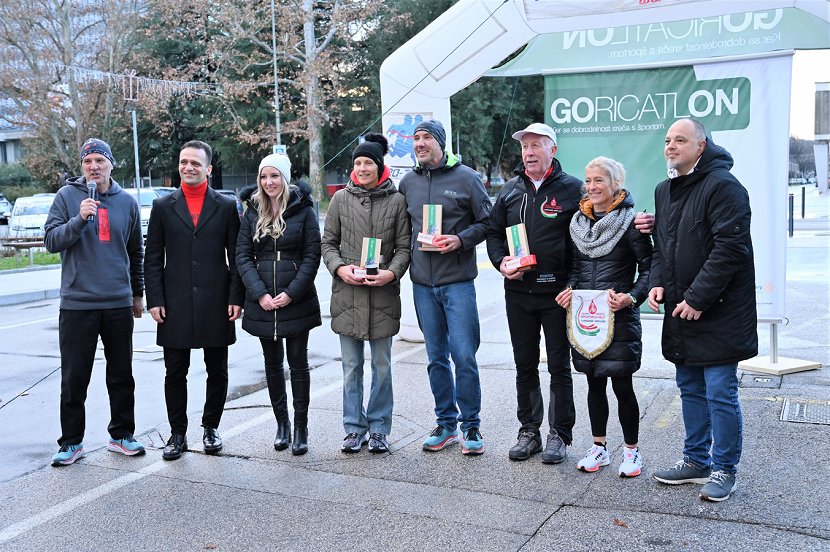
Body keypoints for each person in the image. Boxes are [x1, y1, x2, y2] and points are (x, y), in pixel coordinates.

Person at [486, 123, 653, 464]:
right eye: (525, 147)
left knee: (559, 367)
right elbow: (493, 233)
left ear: (553, 150)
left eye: (536, 145)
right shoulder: (509, 191)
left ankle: (559, 435)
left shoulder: (573, 189)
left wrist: (645, 221)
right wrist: (501, 261)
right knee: (524, 365)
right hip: (517, 292)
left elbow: (606, 217)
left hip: (558, 295)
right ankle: (529, 432)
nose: (529, 152)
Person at [648, 118, 757, 502]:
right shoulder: (664, 190)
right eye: (668, 140)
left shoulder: (724, 186)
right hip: (681, 310)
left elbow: (730, 250)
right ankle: (696, 461)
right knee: (690, 388)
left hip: (719, 312)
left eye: (680, 140)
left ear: (701, 146)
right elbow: (662, 246)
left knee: (720, 393)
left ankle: (725, 469)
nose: (671, 146)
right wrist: (657, 282)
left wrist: (697, 298)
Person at [44, 138, 146, 466]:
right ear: (82, 166)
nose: (94, 167)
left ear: (111, 164)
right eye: (88, 161)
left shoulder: (127, 202)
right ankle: (71, 442)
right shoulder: (67, 197)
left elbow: (135, 252)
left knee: (121, 375)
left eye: (100, 160)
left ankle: (122, 435)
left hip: (117, 302)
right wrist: (78, 219)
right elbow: (51, 241)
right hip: (78, 303)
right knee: (75, 377)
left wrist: (137, 293)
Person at [145, 140, 244, 461]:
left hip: (217, 301)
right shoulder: (162, 206)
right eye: (184, 162)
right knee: (175, 372)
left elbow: (237, 256)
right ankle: (177, 434)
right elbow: (152, 257)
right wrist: (154, 299)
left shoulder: (226, 206)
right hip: (174, 303)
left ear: (208, 169)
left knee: (218, 371)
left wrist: (236, 297)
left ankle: (211, 427)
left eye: (195, 163)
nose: (188, 167)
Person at [554, 157, 652, 477]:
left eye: (599, 180)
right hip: (586, 321)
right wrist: (569, 290)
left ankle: (632, 451)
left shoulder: (631, 224)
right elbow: (574, 270)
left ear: (615, 184)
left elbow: (648, 270)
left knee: (623, 387)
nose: (592, 187)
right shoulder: (577, 225)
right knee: (594, 385)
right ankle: (599, 448)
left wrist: (631, 298)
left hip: (619, 318)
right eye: (588, 180)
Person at [398, 119, 491, 456]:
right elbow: (400, 230)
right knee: (436, 357)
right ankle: (446, 424)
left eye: (426, 138)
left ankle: (471, 425)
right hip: (423, 285)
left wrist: (460, 240)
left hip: (458, 283)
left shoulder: (466, 178)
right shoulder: (407, 182)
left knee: (463, 355)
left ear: (440, 142)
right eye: (416, 138)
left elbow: (488, 222)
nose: (420, 143)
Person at [321, 133, 410, 454]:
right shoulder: (340, 200)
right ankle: (353, 428)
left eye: (368, 163)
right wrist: (339, 269)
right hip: (348, 294)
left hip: (382, 295)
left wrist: (391, 272)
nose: (362, 168)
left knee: (382, 366)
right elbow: (328, 243)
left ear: (379, 166)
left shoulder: (397, 201)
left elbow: (404, 247)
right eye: (357, 163)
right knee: (351, 367)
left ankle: (379, 428)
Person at [236, 153, 321, 456]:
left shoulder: (304, 210)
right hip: (263, 300)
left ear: (284, 178)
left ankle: (301, 427)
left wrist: (292, 293)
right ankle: (282, 425)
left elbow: (312, 256)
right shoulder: (252, 211)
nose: (269, 182)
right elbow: (242, 256)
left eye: (274, 176)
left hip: (296, 298)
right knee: (272, 364)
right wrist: (259, 293)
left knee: (298, 363)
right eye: (263, 176)